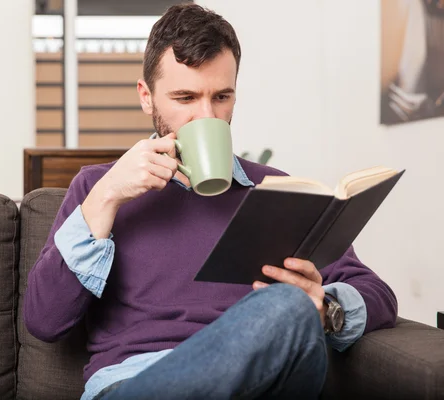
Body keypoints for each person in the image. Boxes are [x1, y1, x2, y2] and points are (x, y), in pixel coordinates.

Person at [24, 4, 398, 399]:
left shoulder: (276, 190)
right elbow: (45, 321)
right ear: (146, 97)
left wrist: (325, 310)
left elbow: (378, 295)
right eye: (185, 97)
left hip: (260, 383)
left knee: (289, 305)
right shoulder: (99, 187)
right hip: (136, 383)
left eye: (221, 97)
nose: (207, 117)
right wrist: (107, 199)